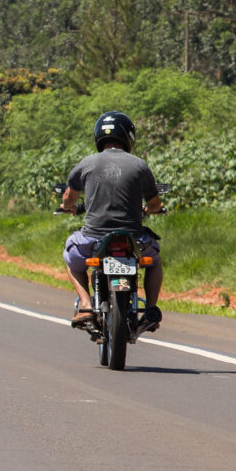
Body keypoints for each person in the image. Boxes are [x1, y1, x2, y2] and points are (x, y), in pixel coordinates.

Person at [60, 111, 164, 330]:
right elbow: (154, 204)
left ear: (99, 137)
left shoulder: (86, 163)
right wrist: (151, 209)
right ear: (129, 137)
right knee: (154, 260)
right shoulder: (139, 166)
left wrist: (68, 207)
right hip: (133, 239)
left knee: (70, 253)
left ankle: (86, 305)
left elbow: (69, 198)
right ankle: (151, 309)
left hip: (93, 240)